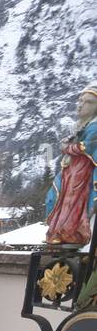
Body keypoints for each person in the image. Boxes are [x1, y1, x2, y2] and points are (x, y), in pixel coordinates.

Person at [45, 84, 97, 246]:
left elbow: (87, 146)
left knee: (74, 199)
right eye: (80, 101)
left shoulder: (95, 125)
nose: (81, 105)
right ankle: (58, 230)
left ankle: (71, 231)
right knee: (61, 197)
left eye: (87, 102)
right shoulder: (82, 124)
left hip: (83, 169)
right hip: (71, 168)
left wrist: (67, 147)